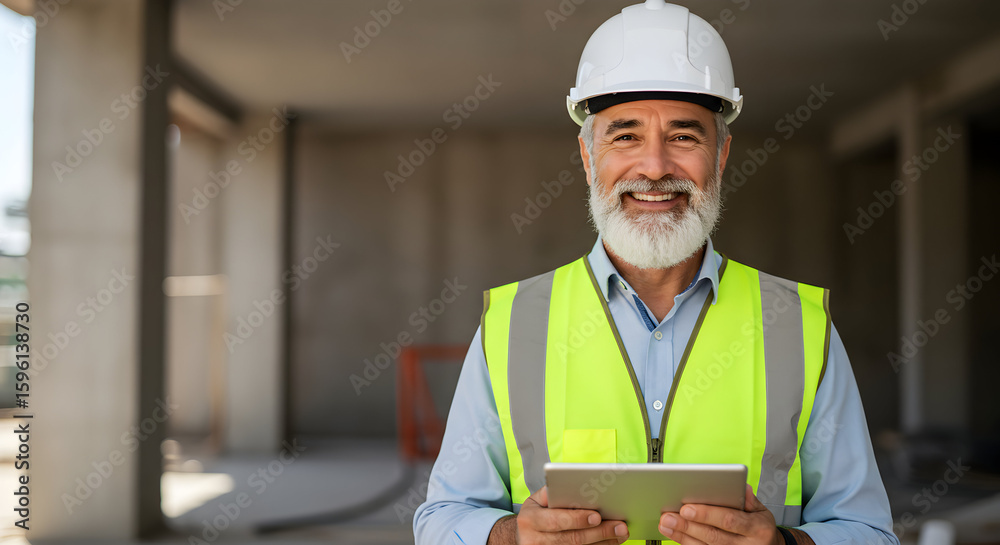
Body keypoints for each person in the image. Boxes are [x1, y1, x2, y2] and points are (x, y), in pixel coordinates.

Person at [413, 1, 899, 544]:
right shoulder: (512, 325)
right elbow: (442, 518)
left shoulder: (800, 328)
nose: (654, 166)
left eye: (685, 136)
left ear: (721, 155)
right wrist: (510, 537)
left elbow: (869, 532)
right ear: (587, 155)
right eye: (625, 136)